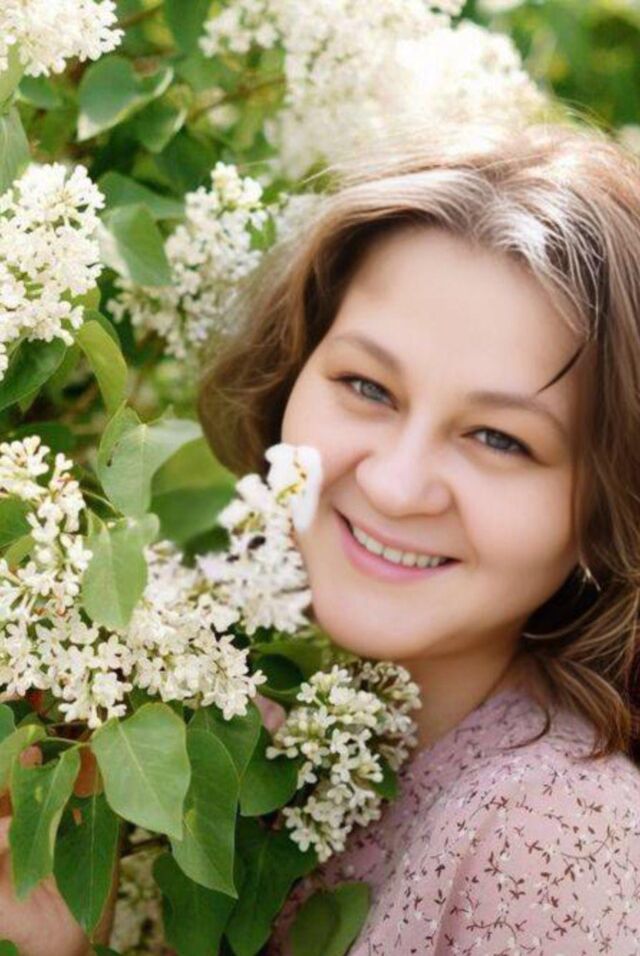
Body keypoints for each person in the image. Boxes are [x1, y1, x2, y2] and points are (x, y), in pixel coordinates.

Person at [196, 119, 640, 953]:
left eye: (499, 439)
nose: (393, 486)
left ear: (607, 512)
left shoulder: (547, 838)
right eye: (366, 386)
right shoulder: (220, 701)